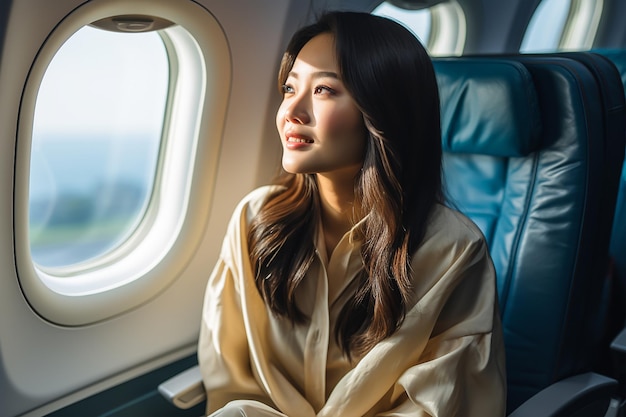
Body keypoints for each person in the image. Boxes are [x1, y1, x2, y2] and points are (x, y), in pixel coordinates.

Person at [197, 11, 506, 417]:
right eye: (290, 89)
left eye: (324, 89)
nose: (292, 111)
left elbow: (439, 405)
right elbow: (230, 378)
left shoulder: (454, 251)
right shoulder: (254, 219)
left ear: (382, 111)